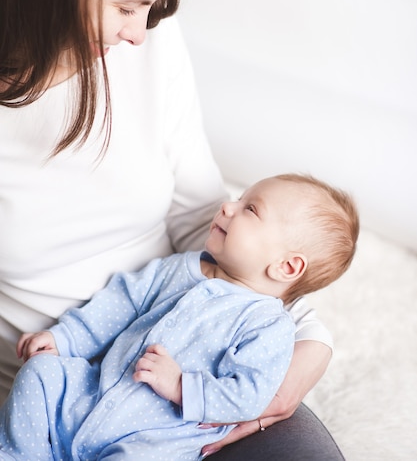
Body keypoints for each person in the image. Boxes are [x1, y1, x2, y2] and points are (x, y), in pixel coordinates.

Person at [0, 0, 345, 459]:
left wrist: (305, 345)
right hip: (51, 386)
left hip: (189, 372)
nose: (141, 32)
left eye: (151, 6)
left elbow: (200, 217)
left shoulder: (148, 40)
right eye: (127, 6)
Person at [0, 174, 359, 460]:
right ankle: (21, 453)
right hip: (91, 394)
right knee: (41, 372)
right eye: (238, 198)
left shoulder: (269, 326)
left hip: (155, 437)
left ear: (287, 266)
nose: (227, 207)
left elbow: (248, 395)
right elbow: (121, 303)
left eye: (250, 209)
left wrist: (179, 386)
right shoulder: (182, 269)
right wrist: (67, 338)